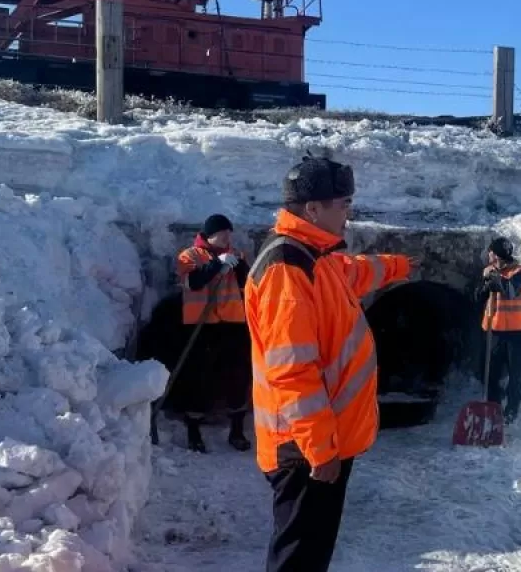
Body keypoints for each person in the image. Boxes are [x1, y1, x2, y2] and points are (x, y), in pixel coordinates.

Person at [245, 153, 414, 572]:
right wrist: (319, 449)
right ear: (313, 208)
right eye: (343, 205)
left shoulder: (317, 257)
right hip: (302, 447)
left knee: (312, 553)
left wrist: (399, 267)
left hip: (321, 439)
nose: (348, 215)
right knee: (298, 559)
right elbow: (291, 369)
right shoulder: (288, 268)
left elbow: (353, 274)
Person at [172, 213, 253, 453]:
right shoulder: (189, 256)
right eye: (223, 233)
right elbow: (193, 282)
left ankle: (237, 430)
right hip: (201, 326)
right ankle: (193, 430)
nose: (228, 237)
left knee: (237, 374)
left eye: (229, 233)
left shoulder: (237, 255)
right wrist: (217, 264)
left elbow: (248, 283)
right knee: (199, 377)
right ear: (209, 235)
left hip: (232, 324)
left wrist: (237, 268)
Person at [476, 237, 521, 424]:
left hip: (515, 335)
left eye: (491, 251)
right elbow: (478, 297)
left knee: (515, 375)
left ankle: (511, 411)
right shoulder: (488, 272)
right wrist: (485, 283)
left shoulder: (518, 272)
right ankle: (493, 410)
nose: (488, 254)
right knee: (490, 374)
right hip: (495, 333)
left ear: (496, 253)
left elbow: (511, 290)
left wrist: (496, 279)